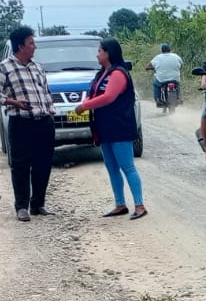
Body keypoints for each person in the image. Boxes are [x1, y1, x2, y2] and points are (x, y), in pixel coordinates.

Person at [0, 25, 55, 221]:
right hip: (21, 123)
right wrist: (11, 101)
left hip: (43, 122)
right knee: (21, 166)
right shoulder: (5, 67)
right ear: (21, 46)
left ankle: (38, 204)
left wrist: (50, 112)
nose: (34, 46)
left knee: (43, 164)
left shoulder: (37, 66)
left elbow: (46, 92)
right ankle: (21, 207)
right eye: (31, 43)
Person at [75, 38, 147, 220]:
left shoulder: (118, 73)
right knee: (112, 167)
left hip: (119, 127)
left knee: (127, 166)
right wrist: (87, 103)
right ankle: (120, 204)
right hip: (104, 127)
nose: (97, 54)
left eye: (100, 51)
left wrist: (85, 106)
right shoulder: (102, 74)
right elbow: (95, 94)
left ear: (108, 53)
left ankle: (139, 205)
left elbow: (109, 97)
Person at [148, 42, 182, 107]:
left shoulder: (157, 57)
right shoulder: (176, 56)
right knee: (177, 85)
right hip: (175, 78)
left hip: (162, 79)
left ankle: (158, 99)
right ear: (169, 49)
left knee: (156, 84)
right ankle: (179, 98)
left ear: (162, 50)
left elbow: (149, 65)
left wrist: (149, 68)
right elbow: (181, 65)